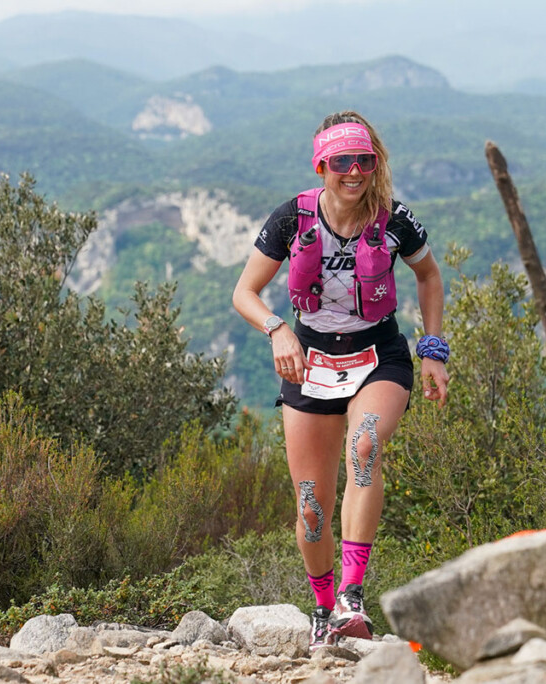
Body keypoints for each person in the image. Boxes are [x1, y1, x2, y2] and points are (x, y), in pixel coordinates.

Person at [232, 110, 449, 650]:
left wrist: (432, 350)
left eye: (364, 161)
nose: (354, 172)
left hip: (379, 355)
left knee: (365, 445)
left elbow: (429, 275)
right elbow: (244, 293)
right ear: (321, 166)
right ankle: (324, 609)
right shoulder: (292, 218)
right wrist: (278, 330)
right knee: (311, 505)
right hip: (310, 361)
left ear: (375, 164)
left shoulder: (395, 219)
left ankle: (353, 597)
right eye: (342, 162)